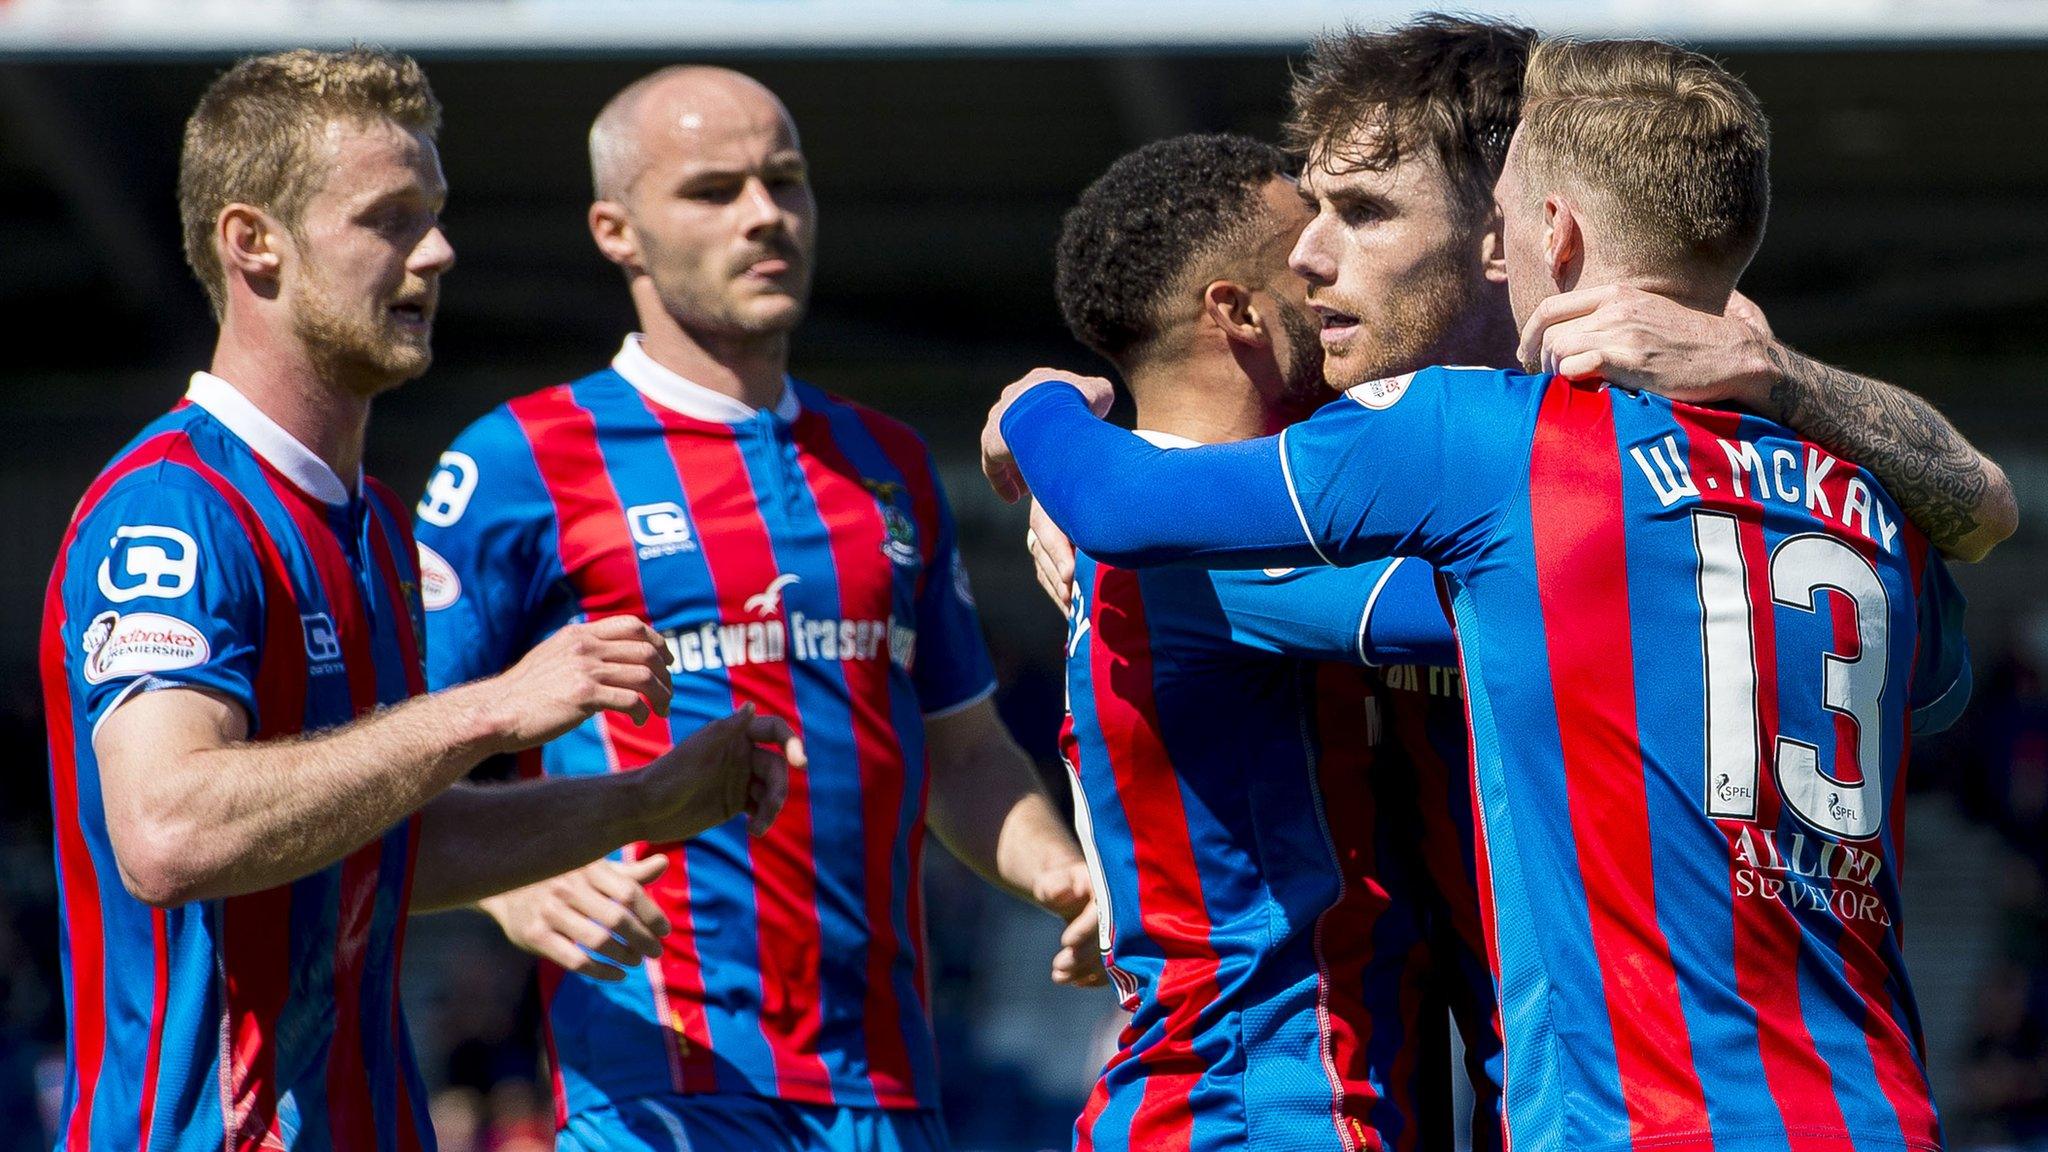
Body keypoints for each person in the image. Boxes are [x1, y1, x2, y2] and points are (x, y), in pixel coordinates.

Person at [988, 36, 1994, 1149]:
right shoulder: (1846, 494)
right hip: (1870, 1108)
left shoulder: (1476, 450)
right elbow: (1960, 563)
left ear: (1519, 235)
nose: (1311, 261)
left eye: (1364, 213)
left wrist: (1042, 423)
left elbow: (1129, 519)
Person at [40, 48, 798, 1152]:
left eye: (434, 214)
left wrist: (646, 804)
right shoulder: (173, 512)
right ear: (254, 243)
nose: (437, 251)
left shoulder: (372, 528)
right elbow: (167, 830)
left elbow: (385, 853)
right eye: (389, 219)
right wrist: (489, 709)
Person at [416, 65, 1094, 1152]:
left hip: (885, 1083)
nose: (764, 214)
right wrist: (513, 891)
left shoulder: (884, 464)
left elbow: (961, 753)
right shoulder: (516, 464)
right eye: (713, 189)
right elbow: (398, 759)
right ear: (615, 230)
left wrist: (1059, 874)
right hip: (655, 1082)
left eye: (784, 181)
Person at [1044, 131, 1493, 1152]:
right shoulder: (1185, 552)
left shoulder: (1195, 521)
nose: (1331, 270)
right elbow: (1511, 598)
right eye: (1304, 251)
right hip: (1253, 1109)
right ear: (1234, 311)